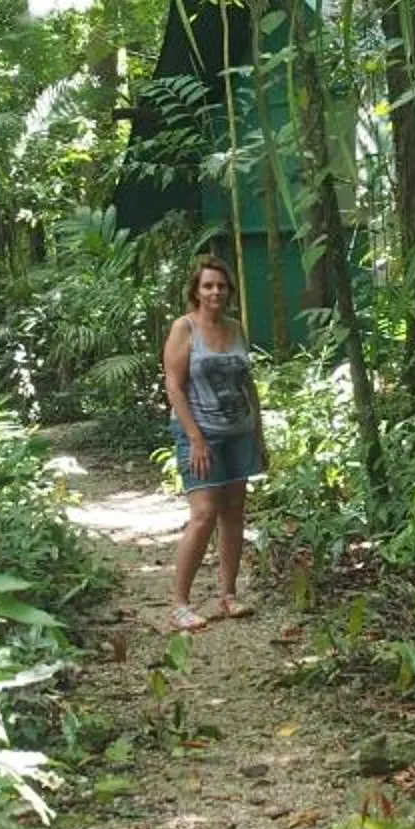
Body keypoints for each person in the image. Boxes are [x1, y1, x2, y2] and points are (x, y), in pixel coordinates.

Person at [161, 256, 264, 631]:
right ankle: (180, 604)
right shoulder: (184, 328)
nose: (215, 291)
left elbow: (247, 384)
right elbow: (173, 385)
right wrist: (195, 438)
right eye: (208, 285)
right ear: (196, 291)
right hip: (200, 434)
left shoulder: (236, 328)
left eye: (221, 285)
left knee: (234, 512)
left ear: (229, 291)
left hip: (240, 432)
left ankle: (228, 595)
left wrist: (259, 435)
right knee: (204, 514)